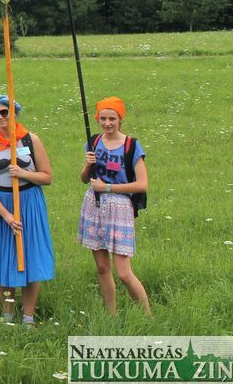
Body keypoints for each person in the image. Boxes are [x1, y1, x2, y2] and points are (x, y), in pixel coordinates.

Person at [0, 95, 54, 326]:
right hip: (0, 206)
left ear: (14, 112)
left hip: (29, 203)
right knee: (4, 259)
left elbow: (47, 177)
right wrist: (6, 215)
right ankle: (8, 314)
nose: (0, 117)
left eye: (4, 112)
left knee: (30, 257)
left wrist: (23, 173)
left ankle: (28, 316)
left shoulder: (31, 140)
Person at [77, 97, 151, 315]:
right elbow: (84, 179)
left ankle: (147, 316)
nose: (107, 123)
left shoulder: (132, 146)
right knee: (102, 267)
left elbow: (142, 184)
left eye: (112, 118)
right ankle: (111, 313)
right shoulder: (94, 142)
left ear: (120, 119)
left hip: (120, 208)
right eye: (103, 118)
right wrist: (87, 165)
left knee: (124, 273)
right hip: (94, 205)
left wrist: (108, 187)